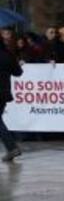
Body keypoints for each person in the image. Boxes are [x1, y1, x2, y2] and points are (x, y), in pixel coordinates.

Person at [0, 34, 24, 162]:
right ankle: (11, 148)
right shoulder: (7, 54)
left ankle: (12, 147)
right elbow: (18, 72)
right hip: (4, 93)